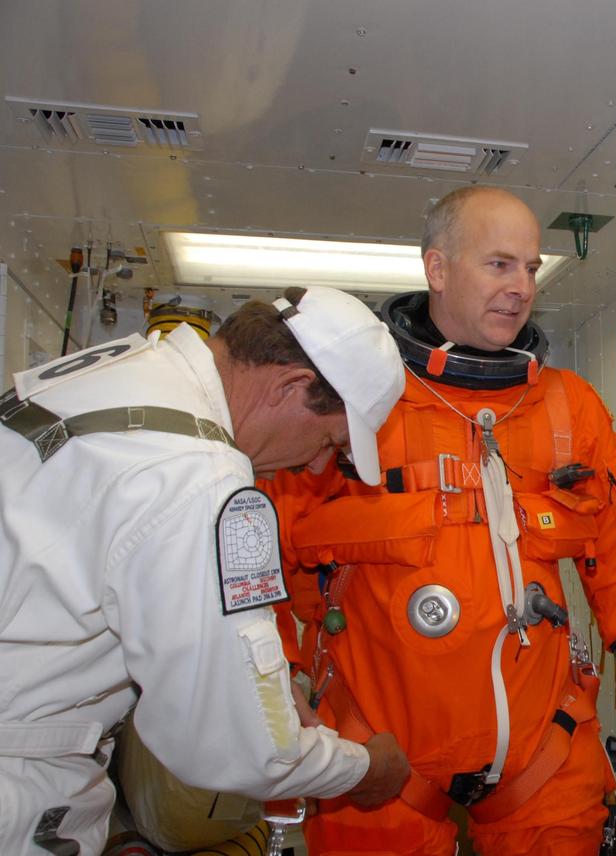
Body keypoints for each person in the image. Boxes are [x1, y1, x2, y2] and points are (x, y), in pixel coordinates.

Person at [265, 185, 616, 855]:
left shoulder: (568, 409)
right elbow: (264, 570)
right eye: (499, 264)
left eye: (531, 268)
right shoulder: (358, 406)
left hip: (544, 751)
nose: (520, 286)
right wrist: (284, 694)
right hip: (379, 758)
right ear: (437, 269)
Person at [0, 286, 412, 856]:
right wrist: (365, 770)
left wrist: (249, 683)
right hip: (16, 782)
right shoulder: (203, 472)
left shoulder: (128, 369)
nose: (317, 464)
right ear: (291, 386)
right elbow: (233, 745)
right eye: (328, 439)